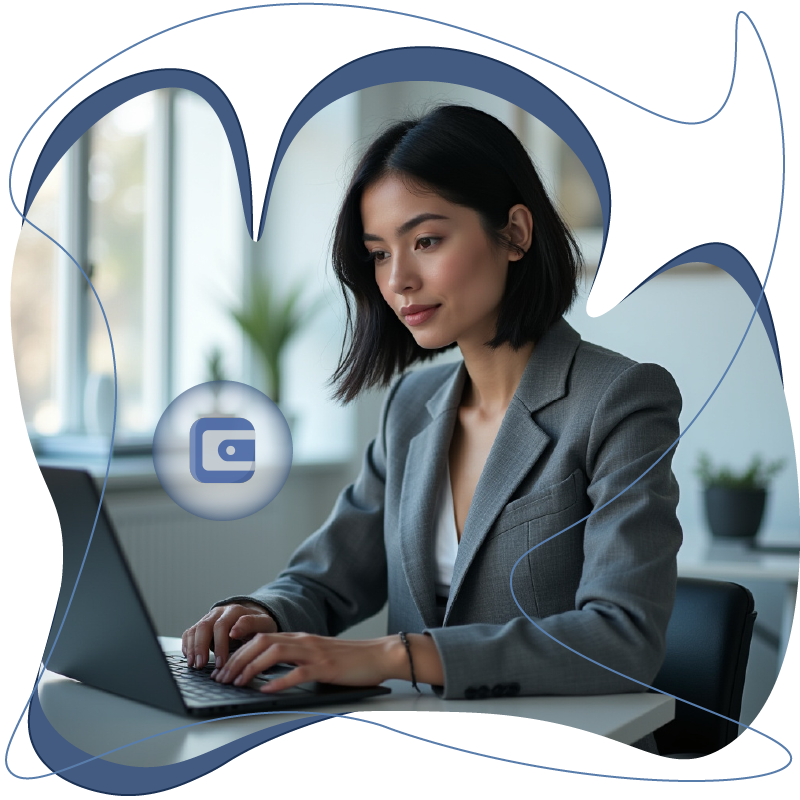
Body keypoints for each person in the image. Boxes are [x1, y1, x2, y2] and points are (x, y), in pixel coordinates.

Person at [182, 105, 682, 718]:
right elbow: (327, 576)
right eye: (380, 254)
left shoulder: (620, 400)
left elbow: (623, 638)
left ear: (516, 234)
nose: (399, 281)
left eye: (426, 241)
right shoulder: (412, 407)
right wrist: (262, 612)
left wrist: (394, 657)